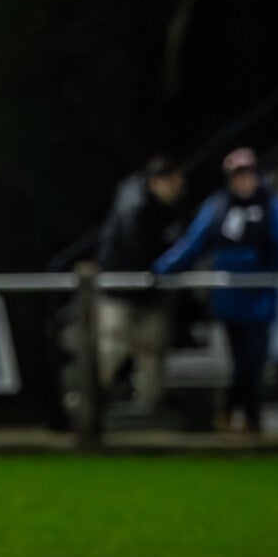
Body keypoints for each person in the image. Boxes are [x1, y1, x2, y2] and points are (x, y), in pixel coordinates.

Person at [154, 148, 278, 434]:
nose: (244, 181)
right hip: (230, 298)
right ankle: (242, 415)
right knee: (242, 361)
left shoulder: (271, 205)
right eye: (238, 176)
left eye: (248, 175)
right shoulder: (218, 206)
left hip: (259, 296)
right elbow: (193, 243)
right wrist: (165, 267)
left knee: (254, 360)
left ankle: (248, 417)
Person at [93, 155, 186, 412]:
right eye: (174, 182)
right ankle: (88, 404)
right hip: (122, 290)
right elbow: (136, 250)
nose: (178, 188)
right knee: (111, 350)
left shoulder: (153, 203)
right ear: (158, 181)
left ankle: (150, 407)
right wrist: (160, 268)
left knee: (152, 350)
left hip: (144, 291)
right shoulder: (135, 206)